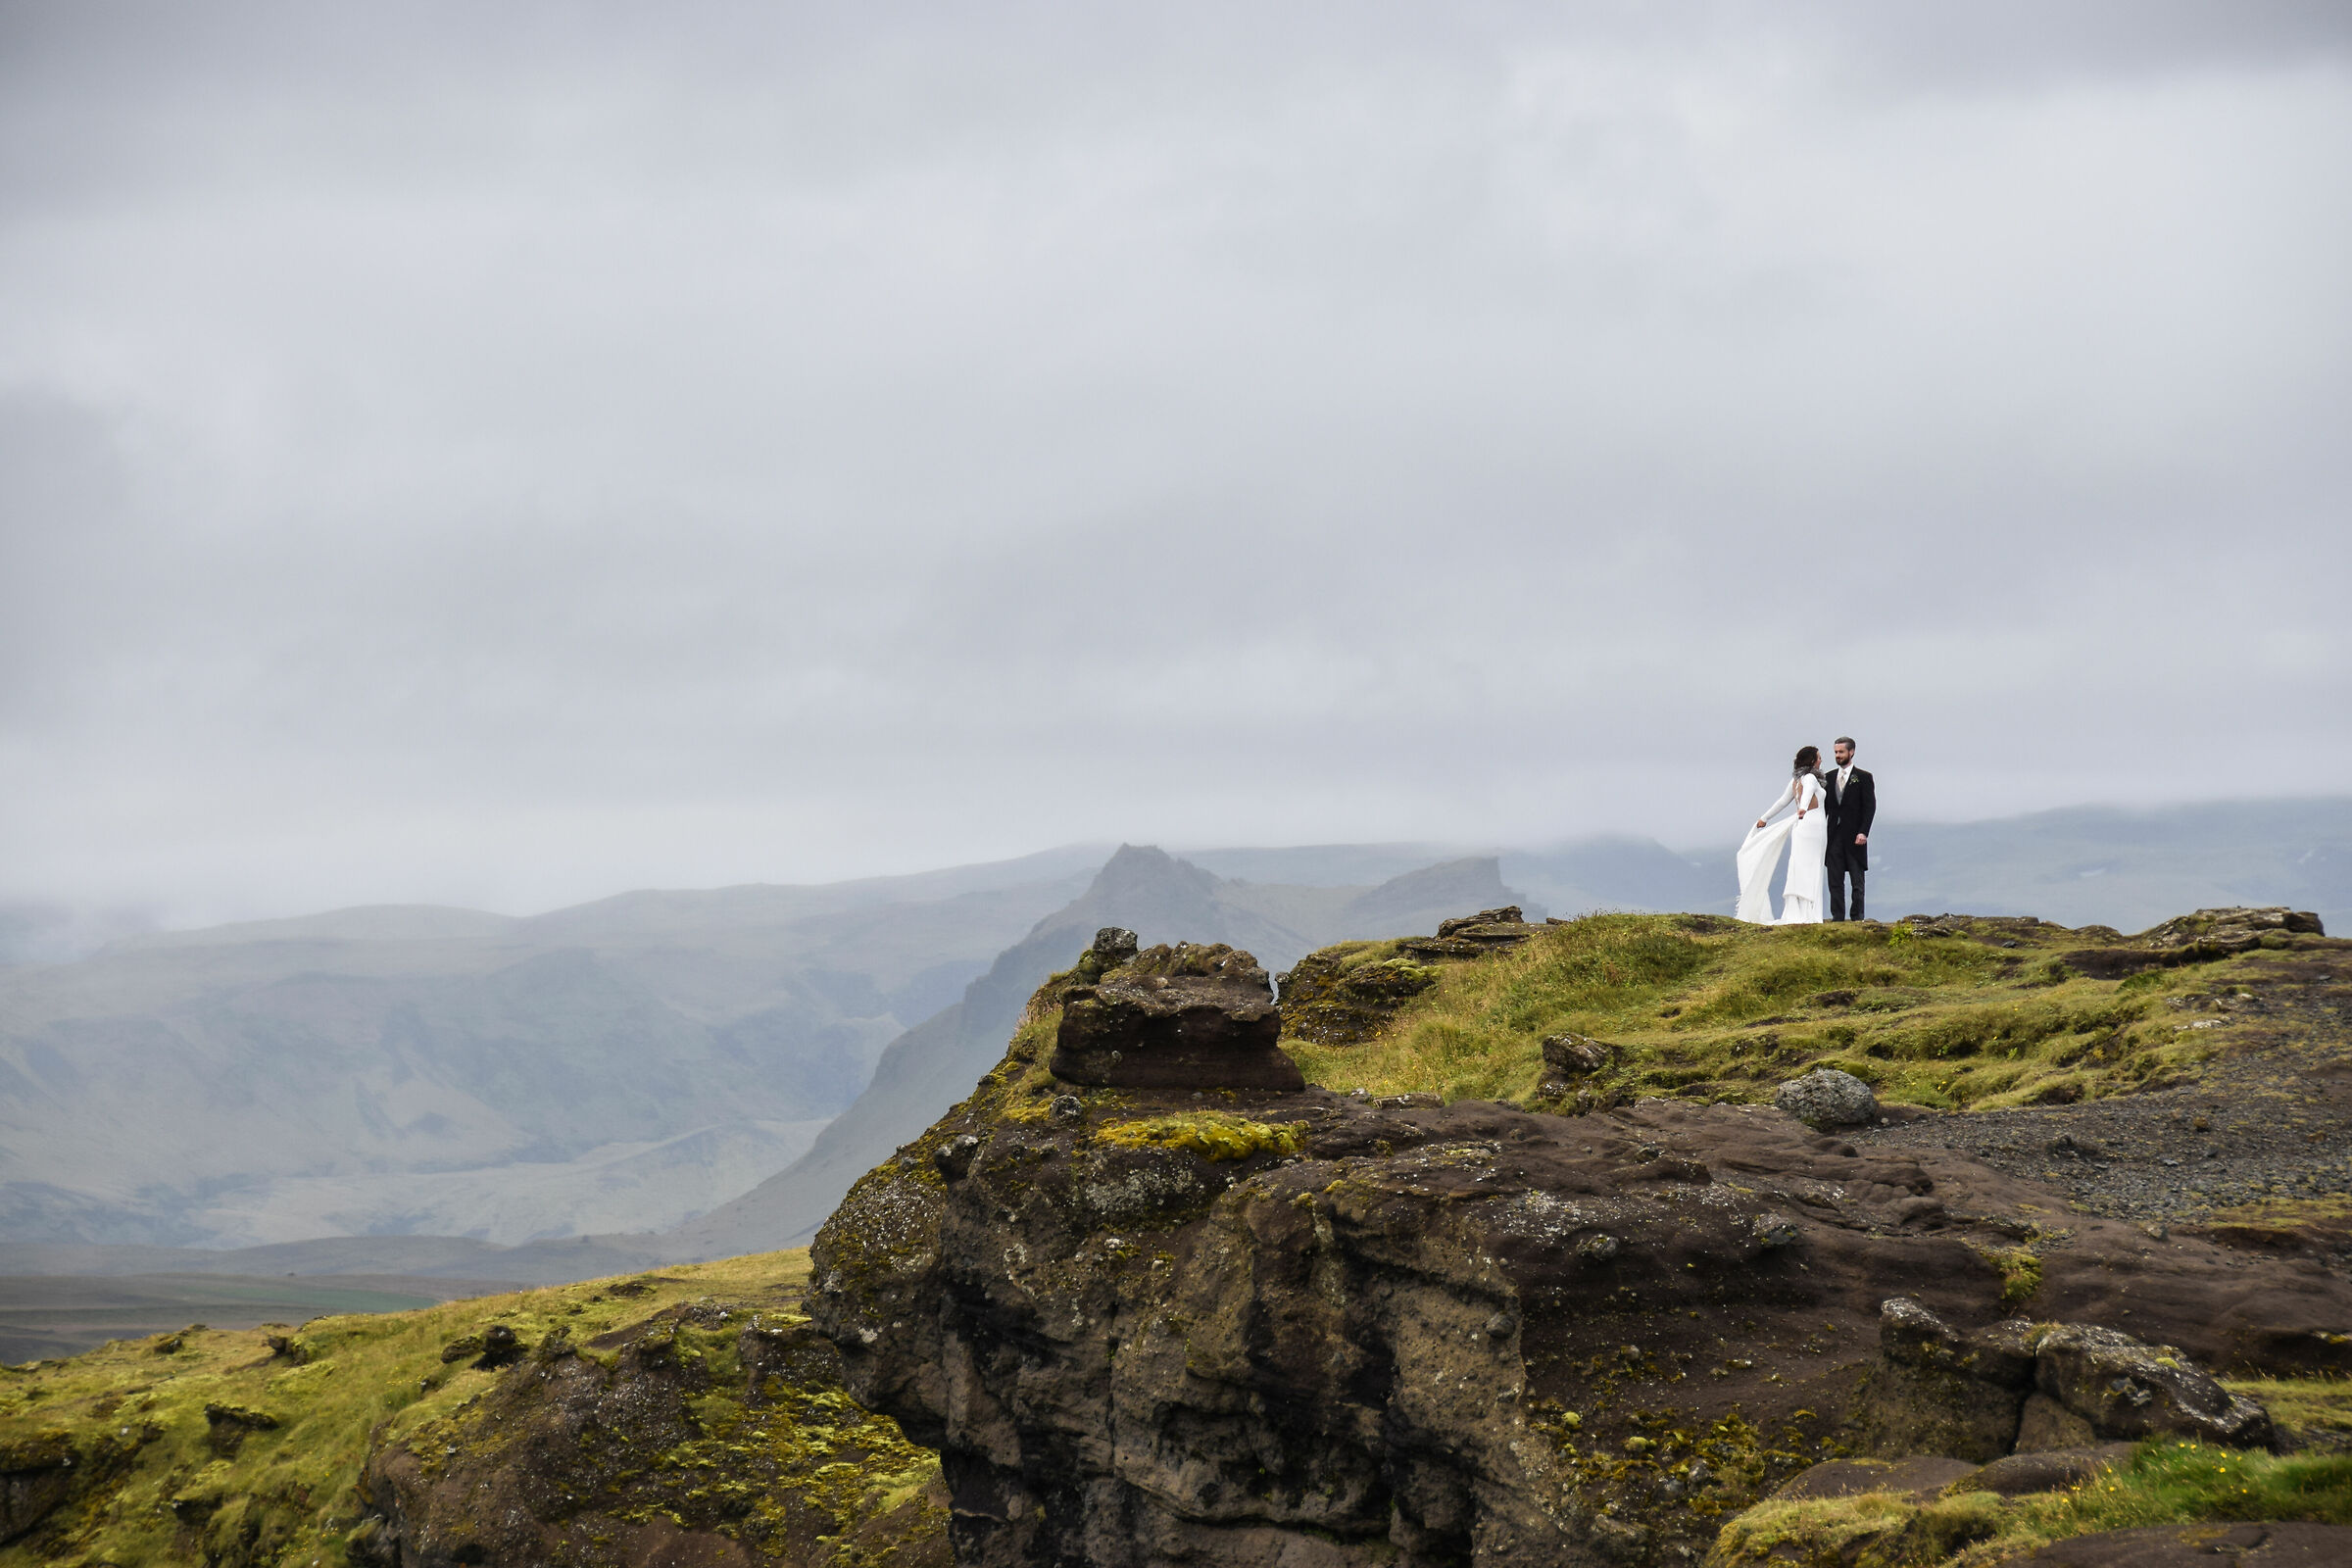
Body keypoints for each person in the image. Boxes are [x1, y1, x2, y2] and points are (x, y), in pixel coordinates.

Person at [1736, 746, 1827, 924]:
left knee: (1800, 866)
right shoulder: (1809, 778)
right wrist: (1803, 807)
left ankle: (1798, 908)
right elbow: (1807, 793)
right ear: (1812, 760)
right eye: (1818, 757)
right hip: (1813, 826)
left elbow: (1782, 801)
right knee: (1811, 867)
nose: (1821, 760)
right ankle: (1808, 912)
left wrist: (1764, 818)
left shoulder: (1795, 781)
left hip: (1802, 826)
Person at [1822, 735, 1875, 921]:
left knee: (1856, 880)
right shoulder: (1828, 778)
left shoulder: (1863, 777)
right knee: (1834, 880)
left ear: (1851, 752)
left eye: (1841, 752)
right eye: (1836, 752)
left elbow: (1870, 807)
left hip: (1854, 836)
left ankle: (1857, 917)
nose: (1838, 755)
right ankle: (1837, 917)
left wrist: (1863, 832)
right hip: (1833, 836)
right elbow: (1825, 808)